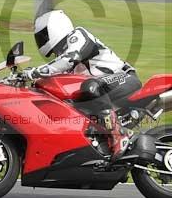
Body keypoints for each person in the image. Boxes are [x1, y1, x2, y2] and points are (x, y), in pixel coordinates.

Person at [21, 10, 142, 158]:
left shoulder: (77, 36)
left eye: (43, 36)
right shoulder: (62, 54)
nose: (42, 40)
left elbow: (71, 58)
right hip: (105, 87)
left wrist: (36, 72)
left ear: (54, 27)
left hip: (124, 77)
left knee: (90, 87)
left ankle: (118, 135)